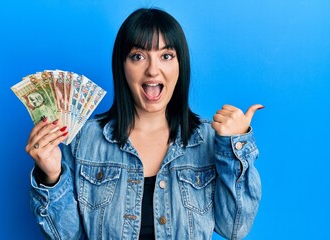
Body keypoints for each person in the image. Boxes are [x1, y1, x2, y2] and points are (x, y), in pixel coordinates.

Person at [26, 8, 262, 240]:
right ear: (122, 66)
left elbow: (234, 228)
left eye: (166, 56)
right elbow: (66, 236)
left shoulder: (209, 140)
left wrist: (235, 148)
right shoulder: (83, 140)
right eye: (138, 56)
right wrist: (52, 176)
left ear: (181, 65)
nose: (152, 69)